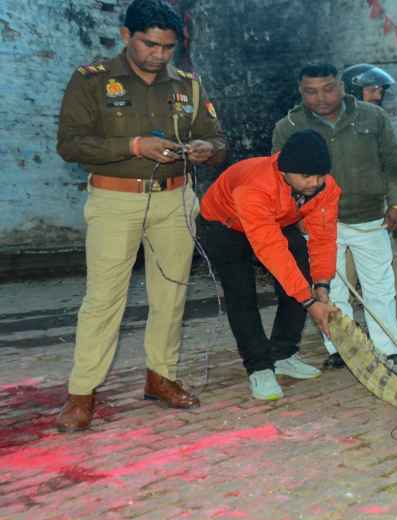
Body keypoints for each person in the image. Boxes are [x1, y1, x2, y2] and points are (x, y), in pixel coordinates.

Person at [55, 0, 226, 432]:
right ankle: (82, 394)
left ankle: (161, 377)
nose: (159, 55)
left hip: (175, 199)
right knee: (103, 300)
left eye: (168, 48)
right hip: (116, 201)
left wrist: (209, 151)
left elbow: (216, 137)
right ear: (126, 36)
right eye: (150, 44)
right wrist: (132, 147)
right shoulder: (91, 81)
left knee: (171, 293)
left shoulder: (188, 86)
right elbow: (71, 144)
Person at [271, 63, 397, 370]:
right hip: (318, 223)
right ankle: (339, 348)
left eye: (328, 89)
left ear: (343, 87)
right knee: (331, 288)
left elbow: (395, 165)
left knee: (380, 286)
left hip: (369, 217)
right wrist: (296, 218)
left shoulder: (373, 117)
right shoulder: (288, 126)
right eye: (310, 91)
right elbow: (280, 178)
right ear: (300, 92)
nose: (320, 98)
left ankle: (388, 348)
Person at [197, 130, 339, 400]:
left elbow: (323, 237)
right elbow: (270, 249)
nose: (314, 183)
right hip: (224, 224)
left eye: (320, 176)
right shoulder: (256, 186)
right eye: (306, 177)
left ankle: (283, 353)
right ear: (285, 171)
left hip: (278, 220)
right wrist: (310, 303)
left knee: (302, 273)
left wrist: (321, 285)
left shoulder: (326, 187)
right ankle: (259, 367)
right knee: (241, 293)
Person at [340, 63, 397, 324]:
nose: (378, 96)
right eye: (371, 90)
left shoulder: (376, 120)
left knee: (389, 265)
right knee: (340, 275)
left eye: (380, 90)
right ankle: (342, 331)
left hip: (372, 209)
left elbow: (393, 166)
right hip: (340, 212)